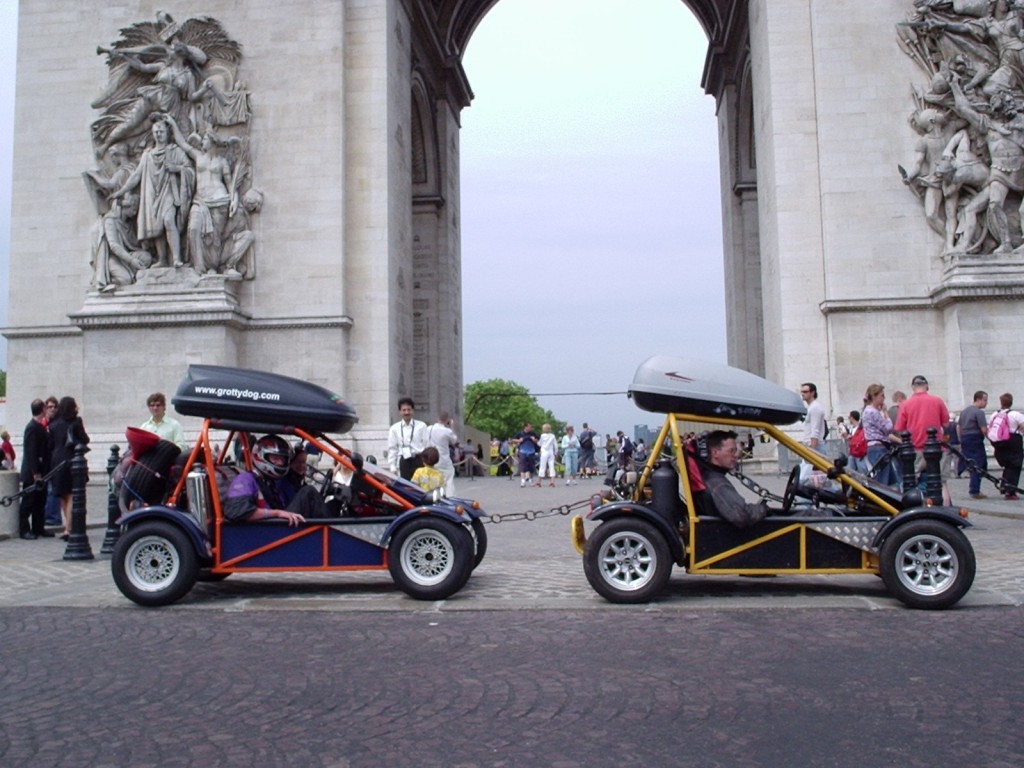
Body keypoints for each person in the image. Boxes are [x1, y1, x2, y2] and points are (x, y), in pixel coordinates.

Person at [110, 115, 195, 268]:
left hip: (169, 190)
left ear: (167, 133)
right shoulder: (148, 154)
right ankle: (162, 259)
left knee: (168, 219)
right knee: (156, 227)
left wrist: (177, 169)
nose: (158, 134)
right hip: (151, 192)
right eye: (155, 131)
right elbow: (136, 176)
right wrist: (121, 191)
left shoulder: (175, 151)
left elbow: (189, 169)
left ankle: (176, 257)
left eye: (161, 131)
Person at [223, 435, 325, 524]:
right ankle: (334, 529)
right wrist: (278, 513)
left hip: (277, 527)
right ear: (259, 456)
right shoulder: (245, 479)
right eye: (275, 458)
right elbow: (235, 511)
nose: (280, 463)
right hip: (268, 533)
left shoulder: (270, 482)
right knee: (308, 492)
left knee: (333, 503)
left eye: (282, 459)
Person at [701, 430, 768, 528]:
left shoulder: (711, 476)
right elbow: (741, 515)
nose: (736, 455)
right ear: (715, 453)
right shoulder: (717, 483)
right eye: (731, 451)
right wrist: (763, 509)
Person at [894, 375, 950, 485]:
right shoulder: (938, 401)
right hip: (936, 447)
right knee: (941, 484)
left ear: (913, 387)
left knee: (912, 481)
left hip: (915, 448)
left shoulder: (905, 404)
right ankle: (944, 503)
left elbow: (898, 428)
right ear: (926, 386)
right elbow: (946, 424)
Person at [47, 397, 90, 540]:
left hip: (56, 461)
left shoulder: (53, 424)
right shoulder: (76, 422)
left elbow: (50, 444)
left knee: (63, 496)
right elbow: (85, 439)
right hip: (72, 460)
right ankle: (68, 529)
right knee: (72, 494)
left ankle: (68, 526)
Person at [18, 400, 53, 539]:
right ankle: (24, 530)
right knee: (28, 502)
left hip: (41, 471)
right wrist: (35, 472)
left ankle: (38, 528)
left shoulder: (39, 426)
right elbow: (31, 452)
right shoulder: (32, 428)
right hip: (33, 473)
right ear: (42, 409)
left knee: (40, 501)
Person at [862, 384, 902, 486]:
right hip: (878, 447)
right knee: (882, 480)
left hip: (876, 447)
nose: (884, 398)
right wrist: (885, 413)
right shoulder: (873, 412)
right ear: (874, 397)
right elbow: (888, 428)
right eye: (882, 396)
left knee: (886, 477)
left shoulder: (869, 411)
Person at [990, 393, 1024, 500]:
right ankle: (1010, 490)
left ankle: (1004, 486)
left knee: (1007, 466)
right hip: (1013, 441)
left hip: (1000, 442)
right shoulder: (1015, 414)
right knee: (1014, 466)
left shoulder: (995, 414)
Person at [386, 397, 427, 480]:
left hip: (418, 460)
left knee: (420, 488)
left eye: (409, 410)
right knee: (405, 488)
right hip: (403, 461)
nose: (406, 412)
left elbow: (427, 445)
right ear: (399, 412)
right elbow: (392, 448)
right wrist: (392, 466)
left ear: (413, 410)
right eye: (404, 410)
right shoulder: (394, 428)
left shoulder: (422, 426)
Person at [957, 391, 989, 499]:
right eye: (985, 400)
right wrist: (991, 438)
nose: (986, 403)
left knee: (971, 462)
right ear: (978, 399)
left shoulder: (964, 412)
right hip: (975, 438)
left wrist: (961, 440)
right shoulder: (979, 413)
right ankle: (975, 490)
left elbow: (959, 427)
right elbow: (984, 429)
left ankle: (969, 478)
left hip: (965, 438)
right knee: (978, 463)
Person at [423, 411, 458, 495]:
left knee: (434, 481)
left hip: (431, 459)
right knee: (448, 481)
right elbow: (455, 441)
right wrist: (452, 426)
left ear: (437, 418)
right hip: (444, 460)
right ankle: (450, 498)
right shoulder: (447, 431)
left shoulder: (429, 428)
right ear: (447, 420)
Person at [800, 382, 826, 451]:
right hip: (810, 446)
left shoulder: (815, 407)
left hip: (815, 446)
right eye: (802, 392)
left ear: (812, 393)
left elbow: (815, 430)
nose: (802, 394)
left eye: (805, 392)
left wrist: (813, 451)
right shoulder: (811, 407)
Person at [514, 423, 540, 487]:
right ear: (525, 427)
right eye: (529, 427)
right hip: (523, 451)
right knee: (523, 466)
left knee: (531, 467)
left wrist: (534, 440)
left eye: (531, 427)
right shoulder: (520, 433)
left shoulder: (533, 433)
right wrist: (519, 440)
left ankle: (531, 480)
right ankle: (522, 481)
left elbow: (538, 440)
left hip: (531, 452)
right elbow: (513, 439)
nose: (530, 428)